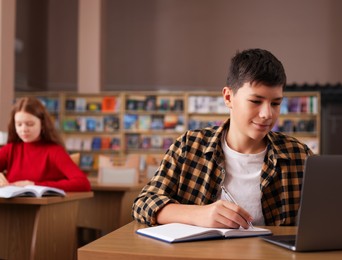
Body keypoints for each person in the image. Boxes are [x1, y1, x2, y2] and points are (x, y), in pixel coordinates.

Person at [132, 48, 313, 228]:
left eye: (276, 103)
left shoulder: (299, 156)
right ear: (228, 97)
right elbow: (143, 203)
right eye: (255, 101)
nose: (267, 114)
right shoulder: (189, 147)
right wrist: (197, 215)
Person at [0, 97, 91, 192]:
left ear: (42, 124)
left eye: (30, 124)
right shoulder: (10, 149)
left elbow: (83, 183)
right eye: (19, 124)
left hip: (46, 206)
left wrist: (34, 185)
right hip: (11, 206)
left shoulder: (54, 151)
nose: (23, 129)